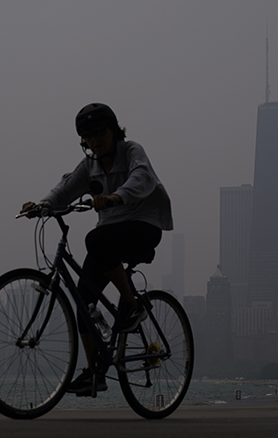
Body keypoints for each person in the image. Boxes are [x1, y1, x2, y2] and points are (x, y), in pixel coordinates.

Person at [22, 103, 173, 396]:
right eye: (87, 137)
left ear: (114, 131)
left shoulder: (131, 151)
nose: (94, 141)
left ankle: (132, 305)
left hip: (144, 225)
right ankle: (94, 373)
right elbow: (66, 187)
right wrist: (42, 205)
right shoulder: (89, 166)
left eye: (99, 133)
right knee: (83, 299)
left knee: (95, 240)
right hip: (111, 233)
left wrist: (117, 196)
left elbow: (142, 177)